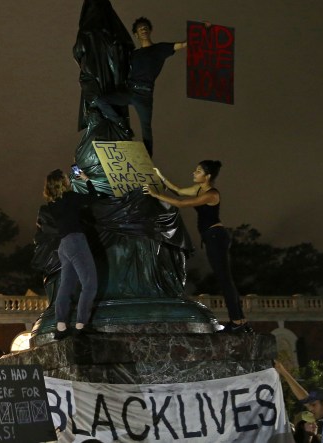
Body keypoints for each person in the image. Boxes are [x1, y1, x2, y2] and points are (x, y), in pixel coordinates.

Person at [143, 161, 252, 333]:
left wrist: (155, 194)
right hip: (211, 237)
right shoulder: (199, 189)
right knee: (224, 279)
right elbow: (178, 191)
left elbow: (181, 203)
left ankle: (238, 321)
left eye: (198, 171)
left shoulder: (211, 194)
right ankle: (240, 320)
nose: (194, 172)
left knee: (225, 279)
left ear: (207, 176)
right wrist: (161, 177)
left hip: (217, 237)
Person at [93, 16, 187, 156]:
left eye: (145, 27)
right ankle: (122, 125)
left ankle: (148, 160)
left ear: (149, 31)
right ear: (136, 35)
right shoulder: (134, 54)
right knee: (101, 100)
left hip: (144, 95)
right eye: (140, 29)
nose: (143, 30)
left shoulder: (159, 49)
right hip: (129, 91)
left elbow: (184, 44)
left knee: (146, 129)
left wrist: (204, 30)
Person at [39, 167, 99, 340]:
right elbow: (93, 198)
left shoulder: (52, 205)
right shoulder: (70, 198)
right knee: (90, 283)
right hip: (76, 241)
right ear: (63, 183)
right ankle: (81, 324)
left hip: (63, 245)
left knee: (66, 286)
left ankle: (61, 326)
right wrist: (86, 179)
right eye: (65, 178)